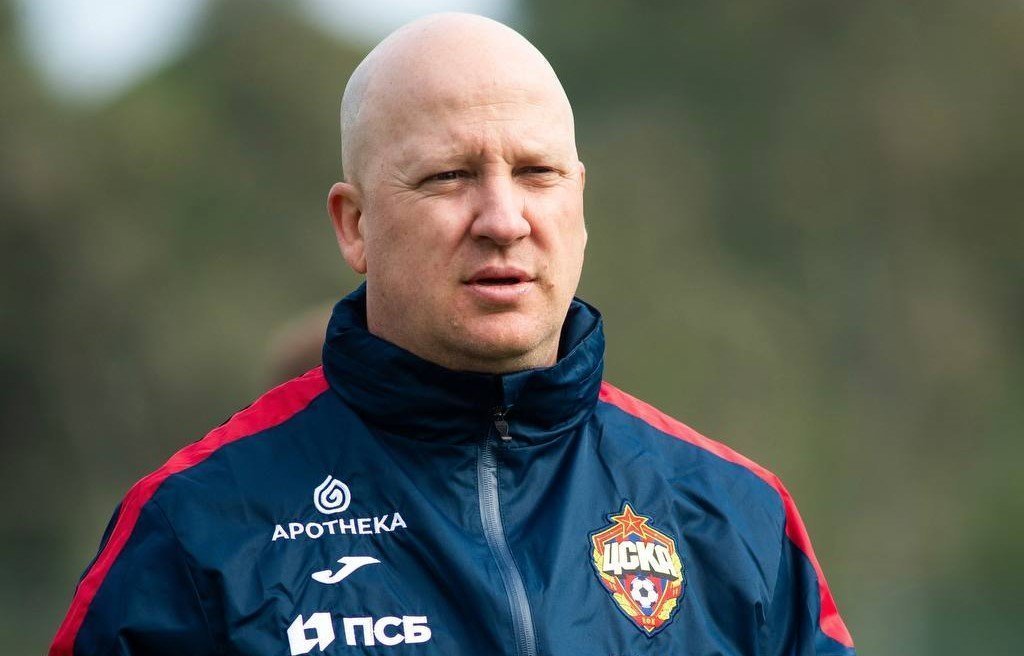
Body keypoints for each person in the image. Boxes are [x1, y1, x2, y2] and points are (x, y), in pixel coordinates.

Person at [50, 13, 855, 656]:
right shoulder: (195, 530)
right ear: (355, 224)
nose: (504, 219)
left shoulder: (734, 516)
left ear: (578, 204)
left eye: (537, 173)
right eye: (449, 176)